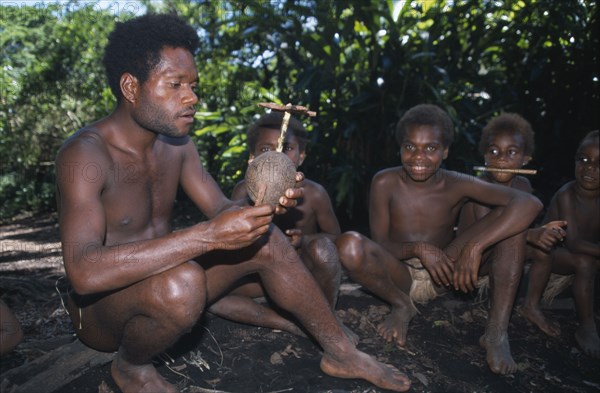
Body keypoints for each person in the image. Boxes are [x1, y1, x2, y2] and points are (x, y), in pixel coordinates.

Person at [55, 13, 410, 393]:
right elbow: (84, 271)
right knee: (183, 283)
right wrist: (207, 237)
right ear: (130, 87)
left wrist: (262, 200)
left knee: (265, 238)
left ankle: (341, 352)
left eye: (193, 85)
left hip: (172, 279)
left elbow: (222, 209)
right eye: (175, 85)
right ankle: (131, 366)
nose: (192, 97)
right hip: (103, 313)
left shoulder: (179, 147)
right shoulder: (85, 155)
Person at [335, 104, 543, 375]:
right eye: (410, 147)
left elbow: (530, 203)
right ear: (400, 148)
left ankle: (496, 333)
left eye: (431, 148)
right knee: (349, 243)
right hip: (400, 274)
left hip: (443, 272)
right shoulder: (384, 182)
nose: (418, 157)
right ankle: (401, 305)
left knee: (514, 225)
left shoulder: (459, 183)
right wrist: (420, 249)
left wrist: (474, 246)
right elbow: (380, 245)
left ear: (445, 151)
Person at [208, 112, 344, 338]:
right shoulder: (243, 191)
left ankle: (327, 321)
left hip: (304, 276)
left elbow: (336, 239)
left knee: (325, 250)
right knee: (210, 297)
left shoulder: (315, 194)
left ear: (301, 156)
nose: (276, 157)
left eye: (286, 148)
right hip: (260, 278)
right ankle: (290, 324)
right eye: (266, 150)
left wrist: (305, 240)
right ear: (252, 158)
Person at [456, 112, 564, 373]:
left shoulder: (523, 184)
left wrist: (541, 234)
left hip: (500, 253)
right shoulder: (480, 188)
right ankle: (496, 334)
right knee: (517, 233)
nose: (501, 159)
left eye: (511, 152)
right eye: (493, 151)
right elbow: (495, 229)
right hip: (470, 259)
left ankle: (532, 306)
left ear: (525, 159)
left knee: (543, 249)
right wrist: (531, 234)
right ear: (484, 156)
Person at [522, 130, 599, 358]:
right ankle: (586, 326)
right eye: (583, 159)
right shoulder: (567, 194)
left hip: (585, 254)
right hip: (553, 252)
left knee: (588, 261)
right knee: (585, 262)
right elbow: (573, 242)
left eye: (598, 163)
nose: (589, 167)